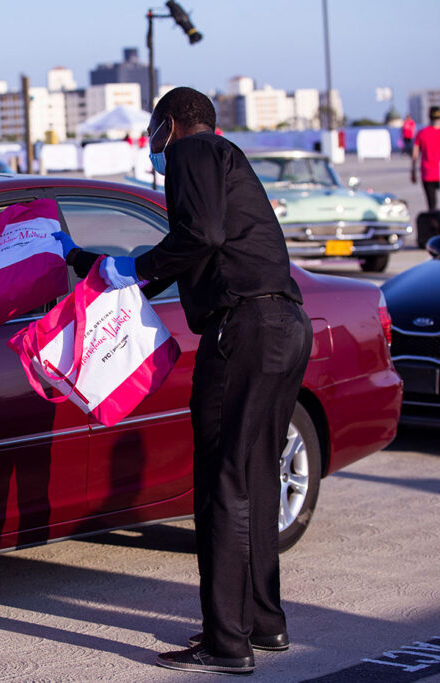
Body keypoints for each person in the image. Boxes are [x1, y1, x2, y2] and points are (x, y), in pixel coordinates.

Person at [56, 87, 312, 676]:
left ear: (170, 123)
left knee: (222, 483)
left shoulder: (193, 153)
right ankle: (264, 623)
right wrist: (98, 266)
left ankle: (226, 643)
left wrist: (134, 267)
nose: (152, 143)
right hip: (285, 323)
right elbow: (202, 245)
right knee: (256, 475)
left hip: (243, 327)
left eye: (153, 129)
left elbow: (200, 238)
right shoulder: (227, 159)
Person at [411, 106, 440, 211]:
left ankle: (433, 224)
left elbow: (415, 154)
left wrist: (413, 171)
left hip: (428, 174)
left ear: (429, 117)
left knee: (431, 206)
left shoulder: (422, 133)